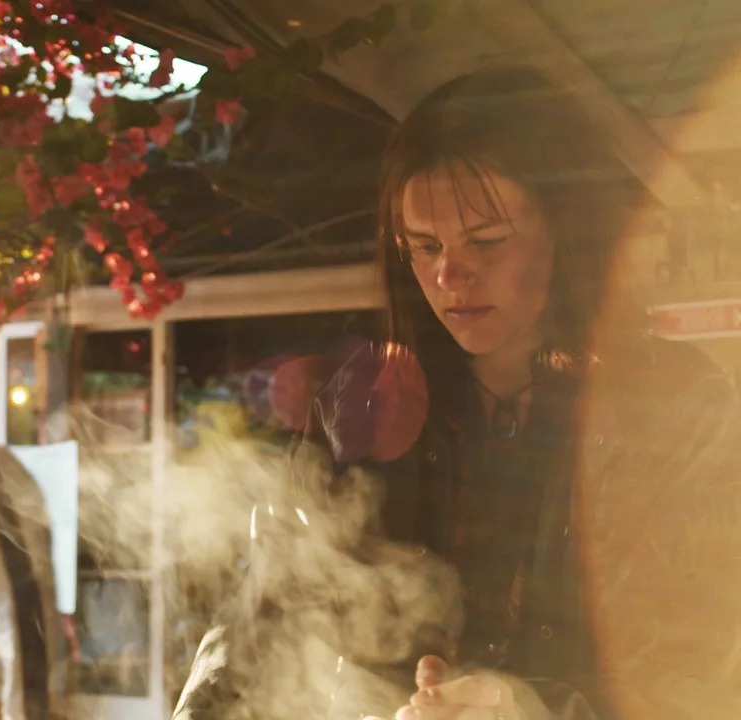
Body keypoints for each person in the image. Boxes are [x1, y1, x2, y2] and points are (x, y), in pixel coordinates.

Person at [172, 66, 741, 720]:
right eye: (424, 246)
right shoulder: (362, 398)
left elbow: (708, 665)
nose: (450, 274)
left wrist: (537, 708)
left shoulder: (673, 404)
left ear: (568, 228)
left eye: (487, 241)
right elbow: (263, 617)